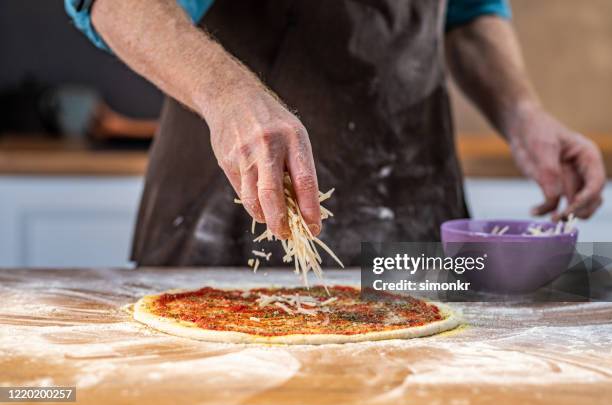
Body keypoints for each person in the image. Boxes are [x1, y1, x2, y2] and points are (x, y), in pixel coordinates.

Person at [66, 0, 605, 266]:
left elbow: (469, 11)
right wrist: (229, 95)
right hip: (232, 223)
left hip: (415, 215)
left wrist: (522, 115)